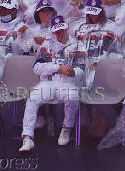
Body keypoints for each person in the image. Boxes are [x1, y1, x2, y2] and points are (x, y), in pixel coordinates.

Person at [19, 15, 86, 152]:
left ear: (67, 28)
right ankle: (27, 137)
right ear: (52, 31)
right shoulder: (47, 45)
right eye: (56, 31)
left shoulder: (78, 45)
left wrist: (74, 71)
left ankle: (66, 128)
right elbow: (37, 67)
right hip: (48, 82)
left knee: (72, 98)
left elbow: (82, 70)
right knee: (32, 98)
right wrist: (58, 68)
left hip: (68, 83)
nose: (60, 34)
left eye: (62, 30)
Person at [0, 0, 29, 70]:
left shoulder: (23, 27)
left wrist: (18, 37)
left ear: (15, 11)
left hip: (12, 67)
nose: (2, 11)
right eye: (1, 9)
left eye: (6, 9)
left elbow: (23, 51)